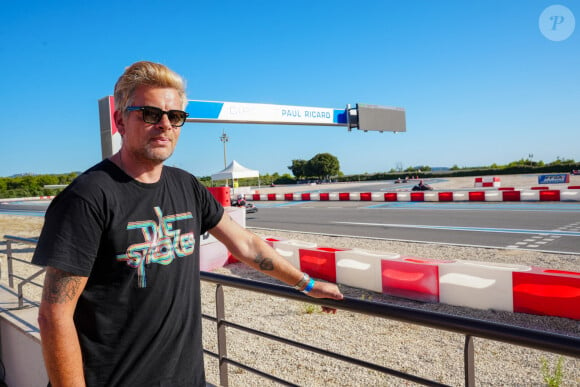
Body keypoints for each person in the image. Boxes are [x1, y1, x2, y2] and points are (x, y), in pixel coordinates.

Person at [32, 61, 343, 387]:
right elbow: (53, 316)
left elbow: (246, 244)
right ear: (119, 120)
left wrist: (306, 285)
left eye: (175, 117)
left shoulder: (187, 186)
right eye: (150, 113)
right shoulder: (87, 198)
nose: (164, 125)